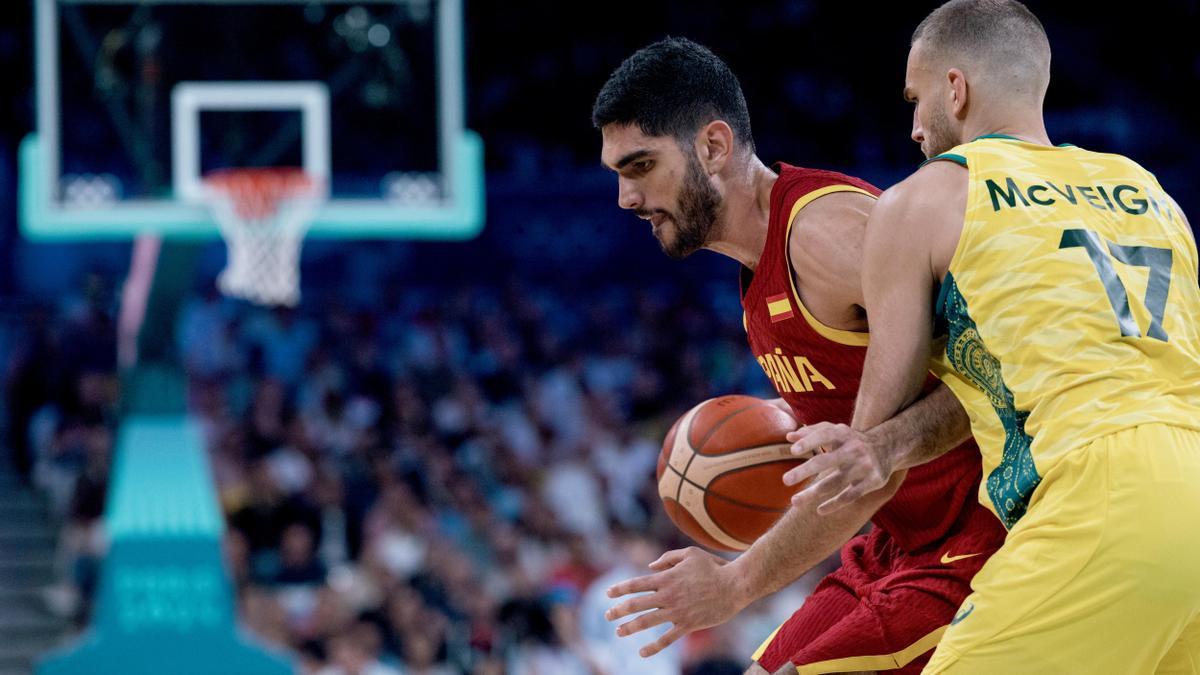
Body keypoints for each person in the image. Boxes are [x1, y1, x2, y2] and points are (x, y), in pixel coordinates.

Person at [785, 1, 1200, 672]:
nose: (915, 128)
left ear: (957, 89)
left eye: (917, 100)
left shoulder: (926, 198)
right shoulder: (1148, 190)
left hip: (1098, 491)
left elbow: (869, 443)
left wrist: (855, 445)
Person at [592, 38, 1006, 674]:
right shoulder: (756, 270)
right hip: (896, 545)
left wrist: (735, 584)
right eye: (618, 173)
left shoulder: (827, 234)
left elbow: (1000, 368)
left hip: (978, 543)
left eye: (640, 166)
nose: (625, 198)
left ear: (713, 146)